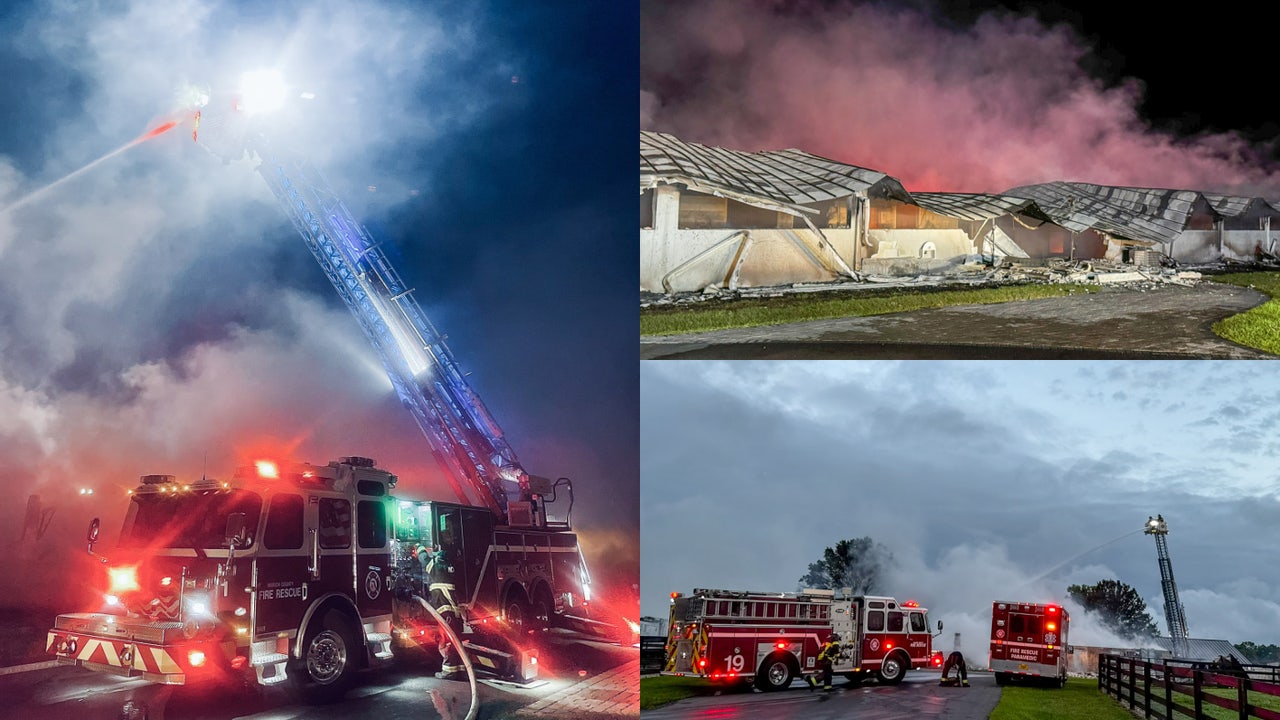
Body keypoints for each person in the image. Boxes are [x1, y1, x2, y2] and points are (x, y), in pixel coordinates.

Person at [426, 519, 466, 681]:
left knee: (447, 641)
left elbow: (424, 560)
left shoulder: (435, 566)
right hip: (453, 611)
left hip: (444, 611)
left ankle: (449, 670)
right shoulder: (449, 567)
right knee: (455, 640)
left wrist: (419, 548)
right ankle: (461, 668)